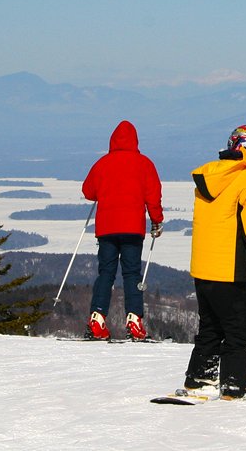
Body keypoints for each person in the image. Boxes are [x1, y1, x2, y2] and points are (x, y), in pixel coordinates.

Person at [184, 124, 246, 400]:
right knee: (237, 331)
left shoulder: (209, 175)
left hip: (203, 267)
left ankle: (199, 379)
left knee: (209, 327)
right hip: (229, 268)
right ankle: (234, 386)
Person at [82, 120, 164, 341]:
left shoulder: (103, 163)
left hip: (107, 227)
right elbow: (153, 196)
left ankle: (97, 317)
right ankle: (135, 320)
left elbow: (88, 191)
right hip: (132, 229)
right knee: (131, 273)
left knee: (106, 273)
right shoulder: (144, 164)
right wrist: (157, 221)